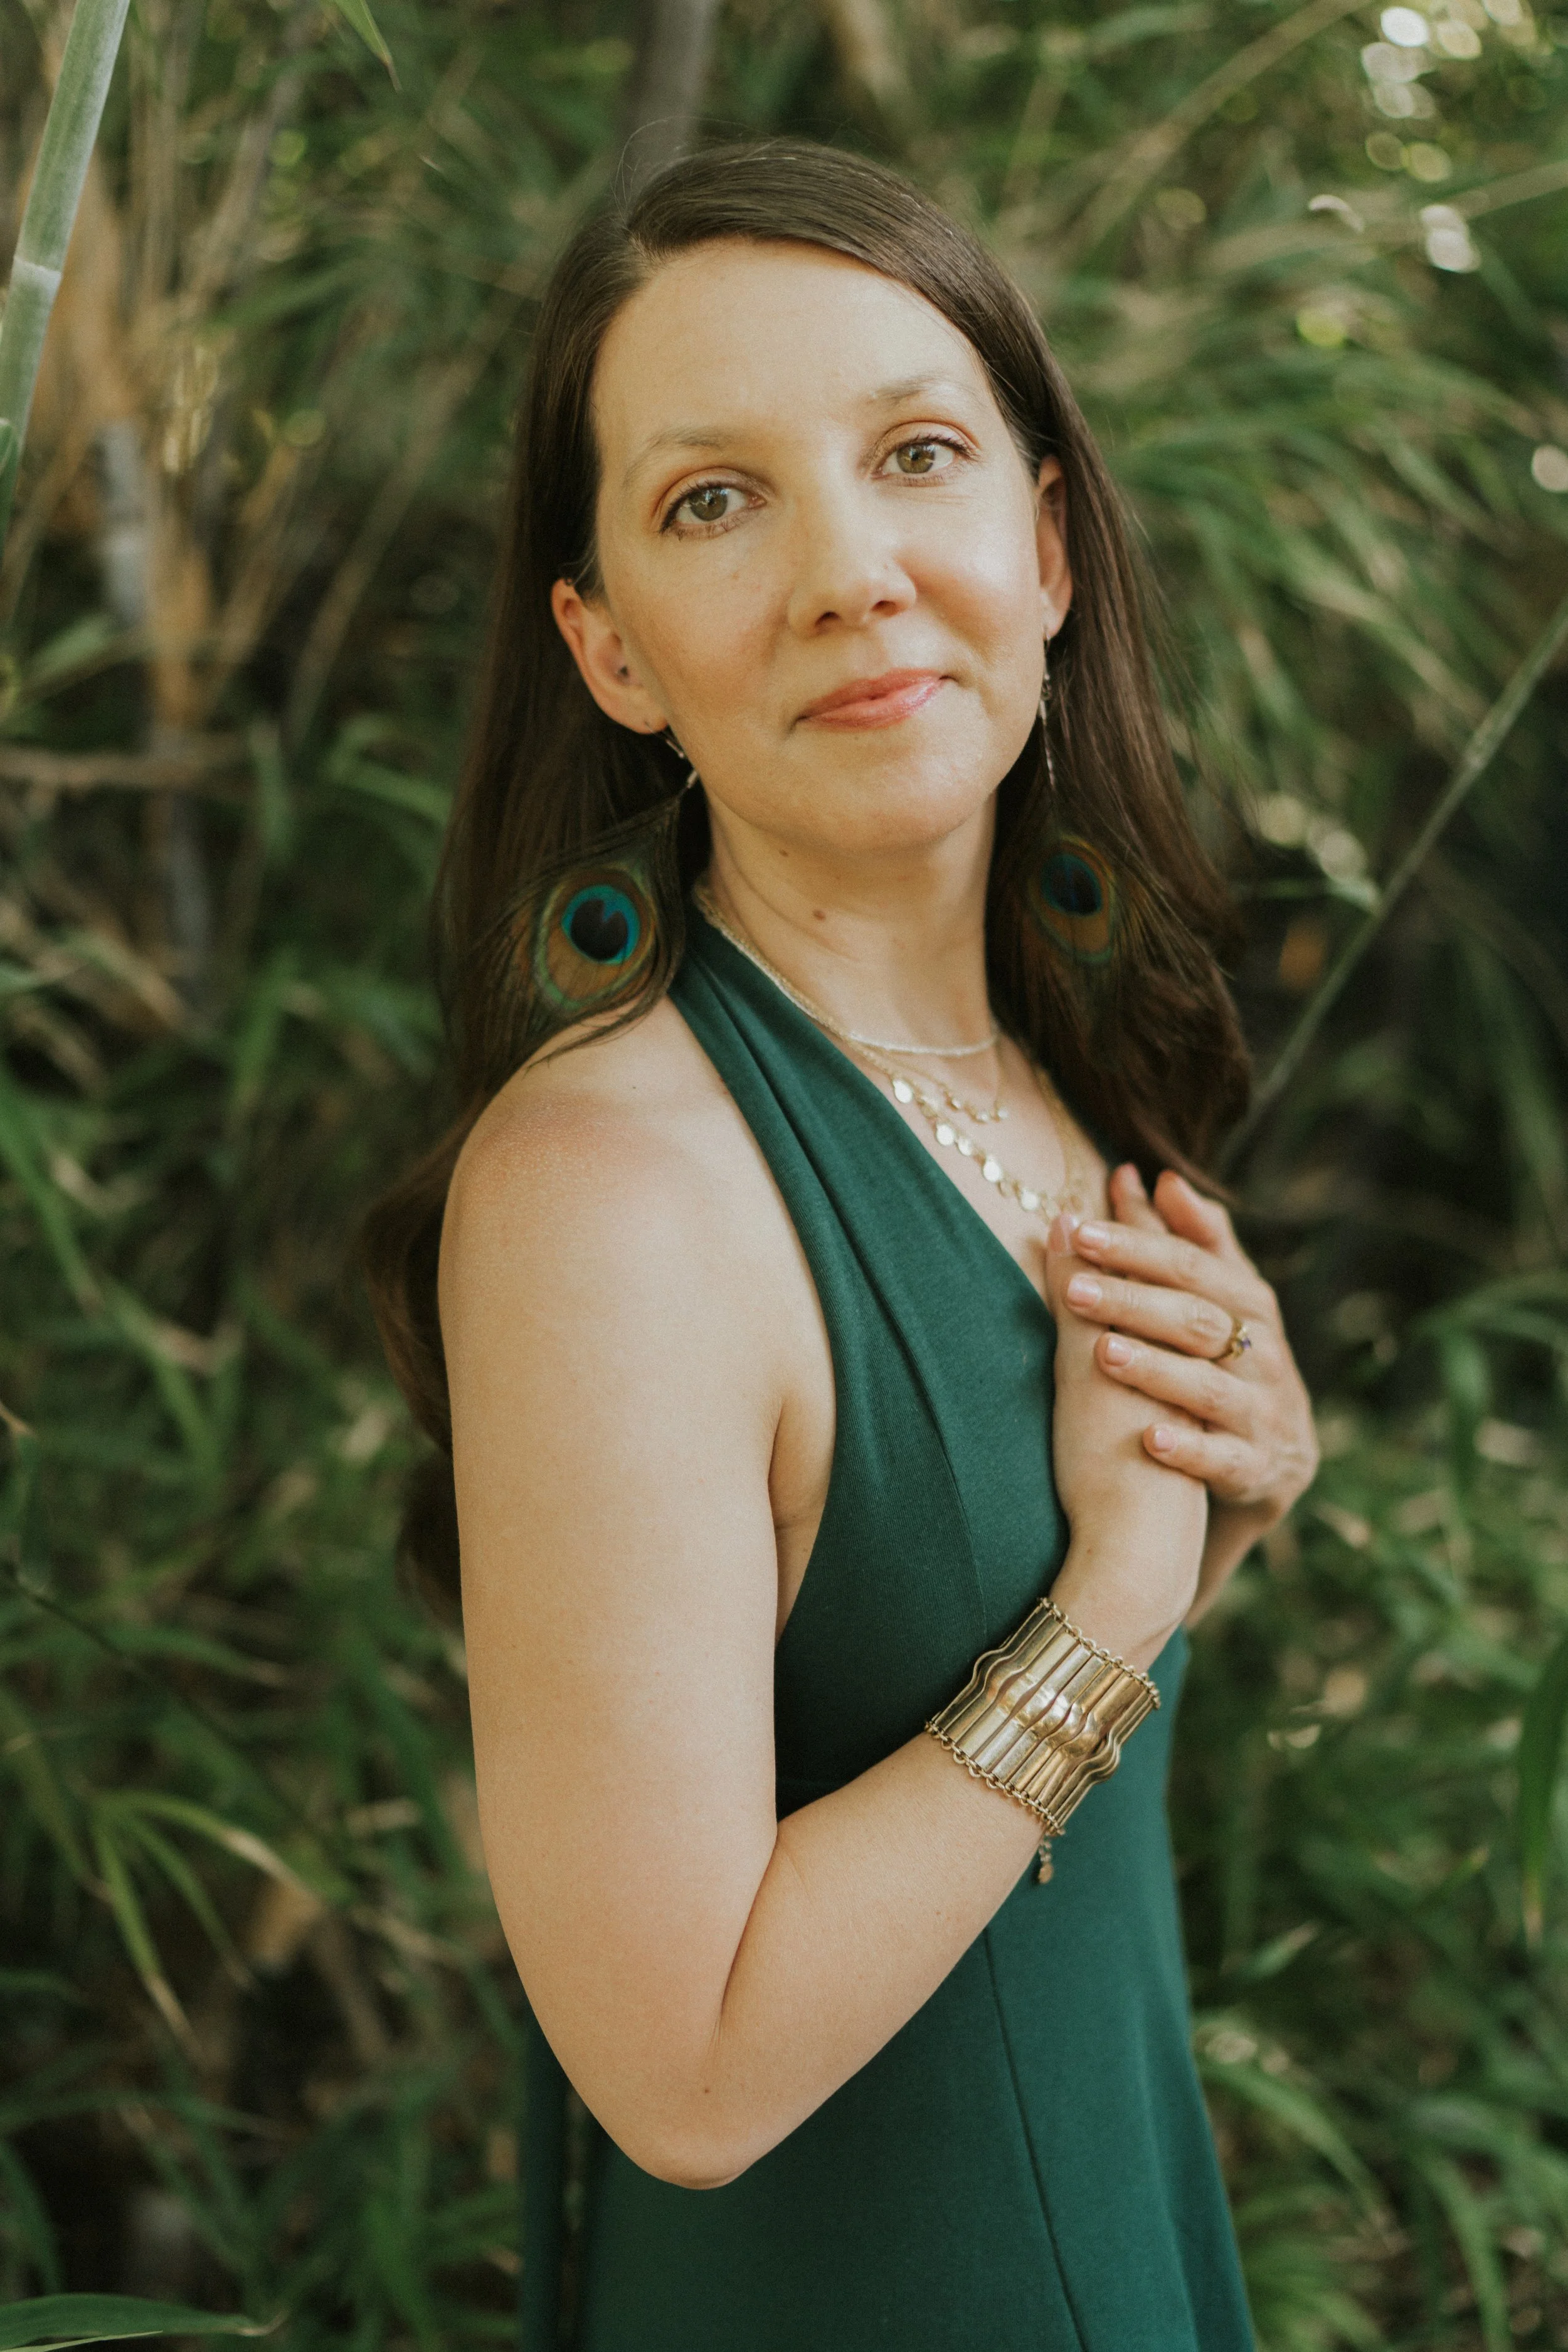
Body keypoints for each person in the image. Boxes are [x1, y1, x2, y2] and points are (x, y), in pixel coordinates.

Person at [366, 139, 1318, 2351]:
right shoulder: (613, 1191)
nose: (851, 573)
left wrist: (1228, 1495)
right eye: (715, 501)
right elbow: (683, 2071)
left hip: (1113, 2234)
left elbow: (978, 1738)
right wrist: (1108, 1595)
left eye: (914, 455)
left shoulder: (1062, 1089)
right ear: (603, 647)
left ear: (1048, 543)